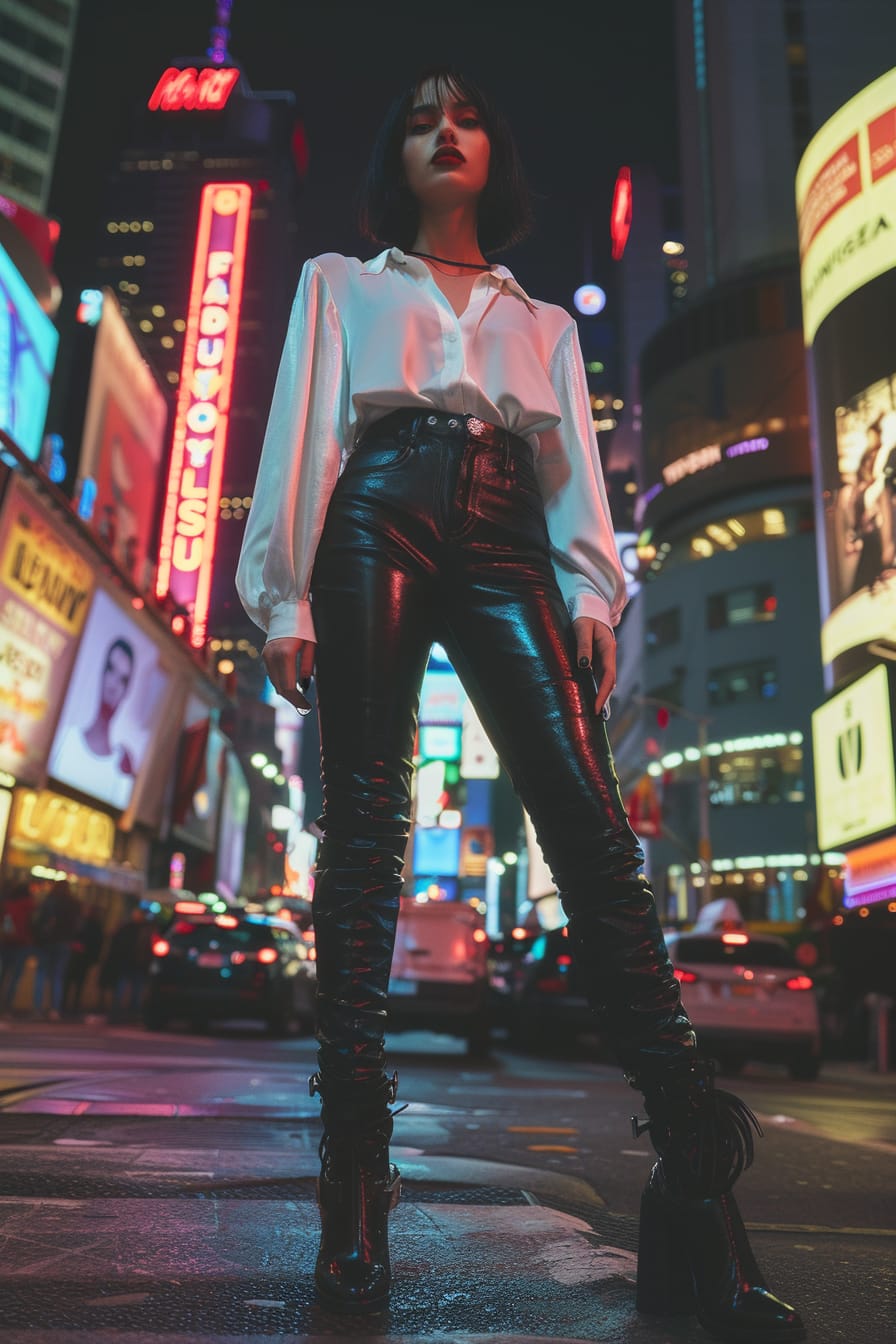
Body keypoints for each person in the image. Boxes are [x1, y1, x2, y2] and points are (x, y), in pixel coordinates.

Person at [236, 67, 804, 1337]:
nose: (446, 129)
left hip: (506, 541)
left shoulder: (540, 320)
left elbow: (568, 484)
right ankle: (354, 1183)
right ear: (401, 150)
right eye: (423, 114)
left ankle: (697, 1179)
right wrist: (284, 598)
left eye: (469, 114)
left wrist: (594, 597)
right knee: (366, 832)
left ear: (493, 151)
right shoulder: (342, 280)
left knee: (593, 836)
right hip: (373, 513)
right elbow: (304, 434)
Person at [50, 638, 137, 810]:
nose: (113, 685)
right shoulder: (66, 739)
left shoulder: (122, 766)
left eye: (123, 680)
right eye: (111, 669)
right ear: (102, 673)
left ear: (127, 691)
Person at [32, 879, 82, 1019]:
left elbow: (39, 920)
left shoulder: (50, 901)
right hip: (65, 942)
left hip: (47, 941)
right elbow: (78, 926)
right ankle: (55, 1009)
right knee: (58, 976)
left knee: (41, 975)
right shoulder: (74, 903)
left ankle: (37, 1008)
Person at [102, 906, 154, 1022]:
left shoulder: (133, 928)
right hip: (131, 962)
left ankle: (127, 1011)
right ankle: (124, 1011)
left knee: (131, 987)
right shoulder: (142, 929)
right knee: (130, 987)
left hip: (133, 963)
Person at [0, 879, 36, 1013]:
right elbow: (32, 924)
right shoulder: (31, 906)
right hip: (23, 943)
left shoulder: (9, 905)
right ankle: (7, 1004)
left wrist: (8, 934)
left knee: (3, 973)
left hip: (8, 942)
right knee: (15, 976)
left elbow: (7, 921)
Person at [63, 903, 105, 1016]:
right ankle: (73, 1006)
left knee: (69, 981)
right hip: (85, 958)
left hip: (78, 956)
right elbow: (98, 944)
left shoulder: (83, 923)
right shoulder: (96, 926)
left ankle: (64, 1005)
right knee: (79, 983)